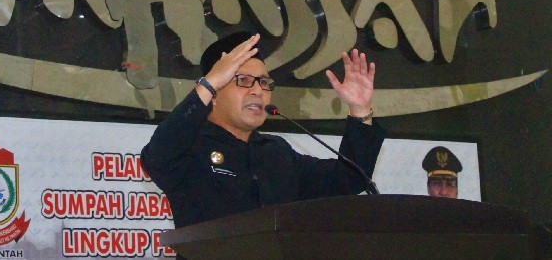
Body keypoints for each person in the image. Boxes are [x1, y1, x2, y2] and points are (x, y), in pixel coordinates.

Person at [140, 32, 386, 228]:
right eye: (243, 80)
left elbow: (349, 179)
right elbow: (158, 156)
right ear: (213, 93)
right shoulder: (190, 147)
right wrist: (208, 83)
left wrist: (360, 110)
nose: (258, 91)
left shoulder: (277, 152)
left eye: (264, 82)